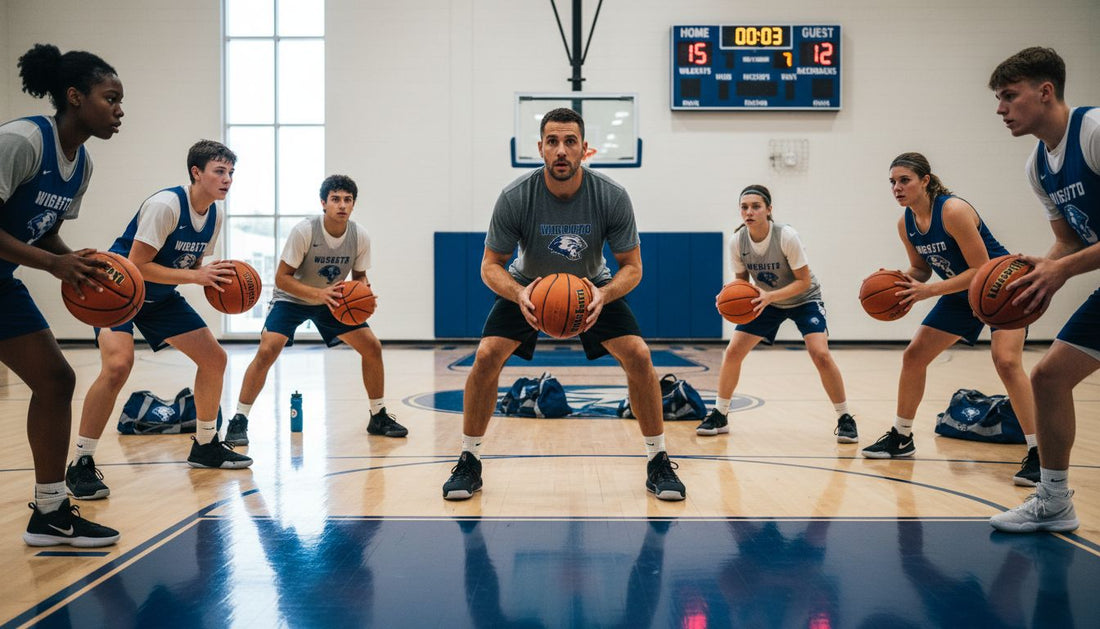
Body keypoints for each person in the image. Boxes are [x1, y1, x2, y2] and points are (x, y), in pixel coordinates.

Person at [441, 107, 686, 501]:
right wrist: (519, 293)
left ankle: (658, 460)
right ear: (540, 148)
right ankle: (469, 460)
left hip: (593, 286)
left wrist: (604, 294)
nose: (561, 150)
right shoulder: (515, 197)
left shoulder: (611, 195)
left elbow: (633, 268)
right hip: (527, 285)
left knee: (639, 355)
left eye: (570, 142)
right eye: (552, 141)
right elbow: (489, 266)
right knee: (486, 356)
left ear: (584, 149)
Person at [65, 139, 252, 501]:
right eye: (219, 171)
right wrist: (197, 278)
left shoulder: (215, 213)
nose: (227, 179)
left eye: (231, 172)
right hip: (117, 291)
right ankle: (81, 462)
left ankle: (206, 445)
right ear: (196, 173)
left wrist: (211, 275)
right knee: (118, 365)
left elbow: (189, 266)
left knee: (215, 359)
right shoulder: (166, 204)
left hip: (160, 297)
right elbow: (137, 265)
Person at [0, 43, 122, 546]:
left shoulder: (82, 164)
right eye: (109, 98)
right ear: (75, 97)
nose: (119, 110)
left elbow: (41, 227)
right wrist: (53, 264)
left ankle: (50, 512)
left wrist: (74, 264)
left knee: (55, 379)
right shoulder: (23, 140)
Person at [861, 153, 1038, 487]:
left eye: (904, 180)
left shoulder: (953, 210)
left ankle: (1040, 452)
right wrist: (898, 282)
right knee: (914, 355)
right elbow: (921, 269)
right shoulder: (906, 222)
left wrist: (930, 291)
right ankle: (901, 437)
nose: (897, 188)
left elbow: (980, 270)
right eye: (892, 182)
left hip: (1002, 287)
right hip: (961, 292)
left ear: (925, 180)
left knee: (1006, 362)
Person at [989, 47, 1099, 533]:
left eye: (1009, 96)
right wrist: (1040, 271)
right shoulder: (1038, 165)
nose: (1001, 109)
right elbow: (1068, 239)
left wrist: (1064, 271)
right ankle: (1054, 501)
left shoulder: (1094, 132)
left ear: (1045, 91)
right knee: (1049, 379)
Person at [224, 174, 406, 446]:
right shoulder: (305, 231)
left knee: (372, 347)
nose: (341, 205)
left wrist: (364, 293)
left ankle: (378, 415)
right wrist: (318, 293)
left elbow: (359, 276)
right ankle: (239, 419)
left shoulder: (359, 236)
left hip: (332, 299)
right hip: (293, 298)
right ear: (323, 203)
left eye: (347, 200)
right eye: (335, 199)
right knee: (267, 350)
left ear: (353, 204)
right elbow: (282, 278)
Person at [698, 185, 857, 443]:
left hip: (804, 298)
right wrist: (727, 295)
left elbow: (804, 282)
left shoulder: (786, 236)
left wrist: (770, 296)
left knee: (821, 354)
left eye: (756, 206)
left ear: (769, 210)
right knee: (733, 352)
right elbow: (741, 283)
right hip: (765, 299)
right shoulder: (737, 241)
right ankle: (720, 413)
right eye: (744, 207)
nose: (749, 212)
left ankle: (845, 417)